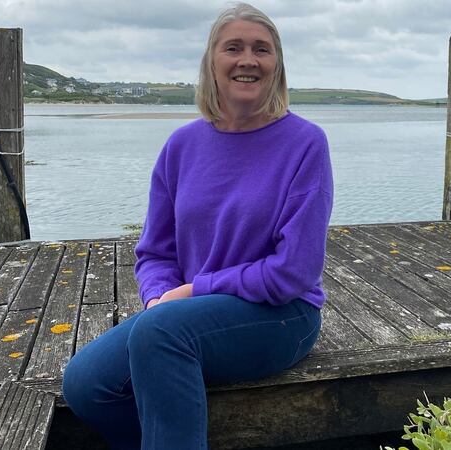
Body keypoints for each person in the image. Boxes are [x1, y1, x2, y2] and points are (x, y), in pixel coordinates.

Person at [62, 3, 333, 449]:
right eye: (233, 48)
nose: (248, 59)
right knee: (85, 384)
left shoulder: (305, 143)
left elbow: (293, 272)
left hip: (283, 315)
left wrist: (192, 292)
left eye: (261, 49)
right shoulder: (182, 145)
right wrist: (155, 299)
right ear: (212, 62)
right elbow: (155, 252)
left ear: (277, 65)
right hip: (180, 317)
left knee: (162, 334)